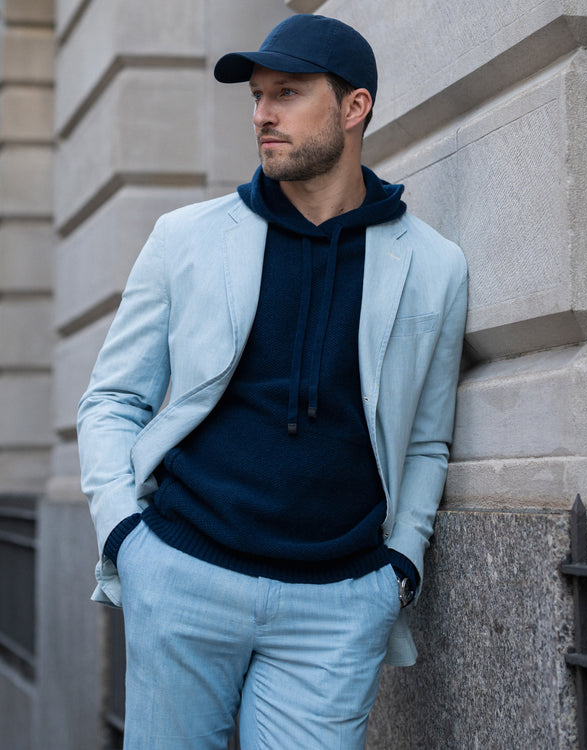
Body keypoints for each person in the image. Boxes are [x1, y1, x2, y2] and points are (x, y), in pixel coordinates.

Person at [78, 13, 467, 750]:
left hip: (339, 605)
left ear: (355, 109)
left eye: (287, 93)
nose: (262, 114)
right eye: (257, 96)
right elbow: (113, 400)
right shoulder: (186, 239)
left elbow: (426, 438)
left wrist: (401, 566)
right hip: (184, 578)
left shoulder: (434, 265)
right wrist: (127, 536)